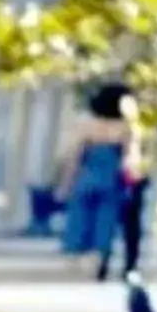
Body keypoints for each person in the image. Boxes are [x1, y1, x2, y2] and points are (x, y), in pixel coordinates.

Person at [58, 84, 143, 281]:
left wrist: (65, 184)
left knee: (79, 218)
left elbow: (75, 157)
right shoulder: (127, 126)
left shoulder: (86, 124)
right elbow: (130, 157)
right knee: (105, 222)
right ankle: (98, 260)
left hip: (86, 178)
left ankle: (77, 256)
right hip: (111, 181)